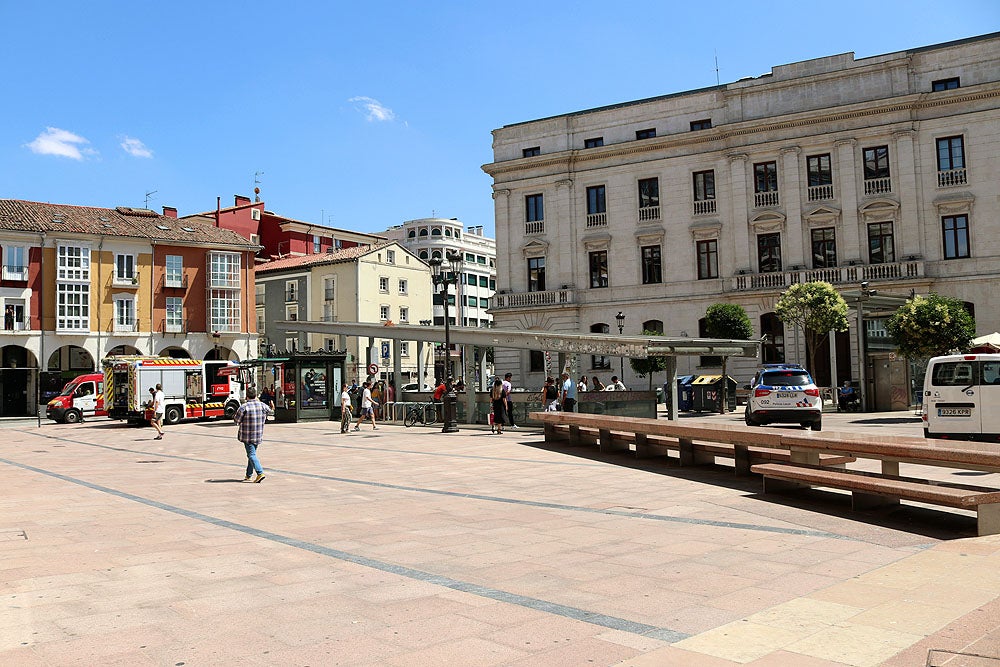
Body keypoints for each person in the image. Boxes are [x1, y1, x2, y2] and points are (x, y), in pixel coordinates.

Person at [233, 386, 272, 483]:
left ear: (247, 396)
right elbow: (270, 410)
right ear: (256, 395)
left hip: (247, 436)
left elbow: (236, 420)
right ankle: (248, 474)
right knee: (251, 454)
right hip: (258, 435)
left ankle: (260, 473)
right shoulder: (262, 405)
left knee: (251, 454)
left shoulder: (244, 407)